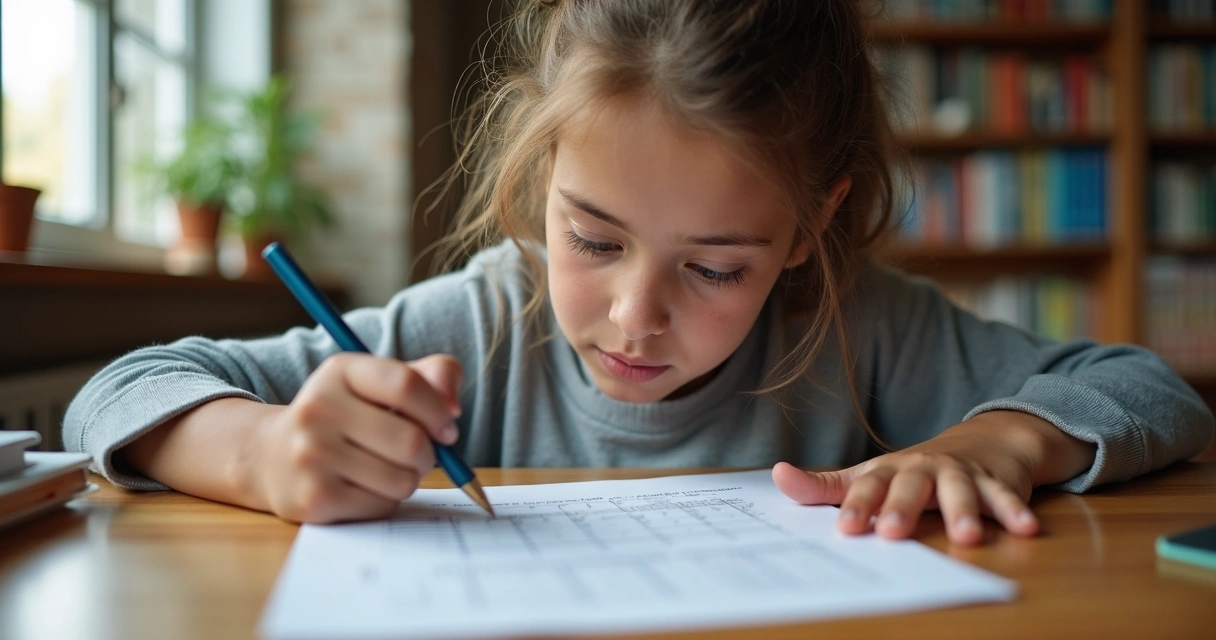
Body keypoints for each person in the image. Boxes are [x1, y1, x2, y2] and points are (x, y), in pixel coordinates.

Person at [65, 0, 1213, 546]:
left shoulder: (861, 328)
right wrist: (265, 451)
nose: (632, 315)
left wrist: (992, 441)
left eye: (715, 267)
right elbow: (117, 391)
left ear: (812, 228)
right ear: (541, 174)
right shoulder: (474, 320)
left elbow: (1149, 388)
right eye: (594, 238)